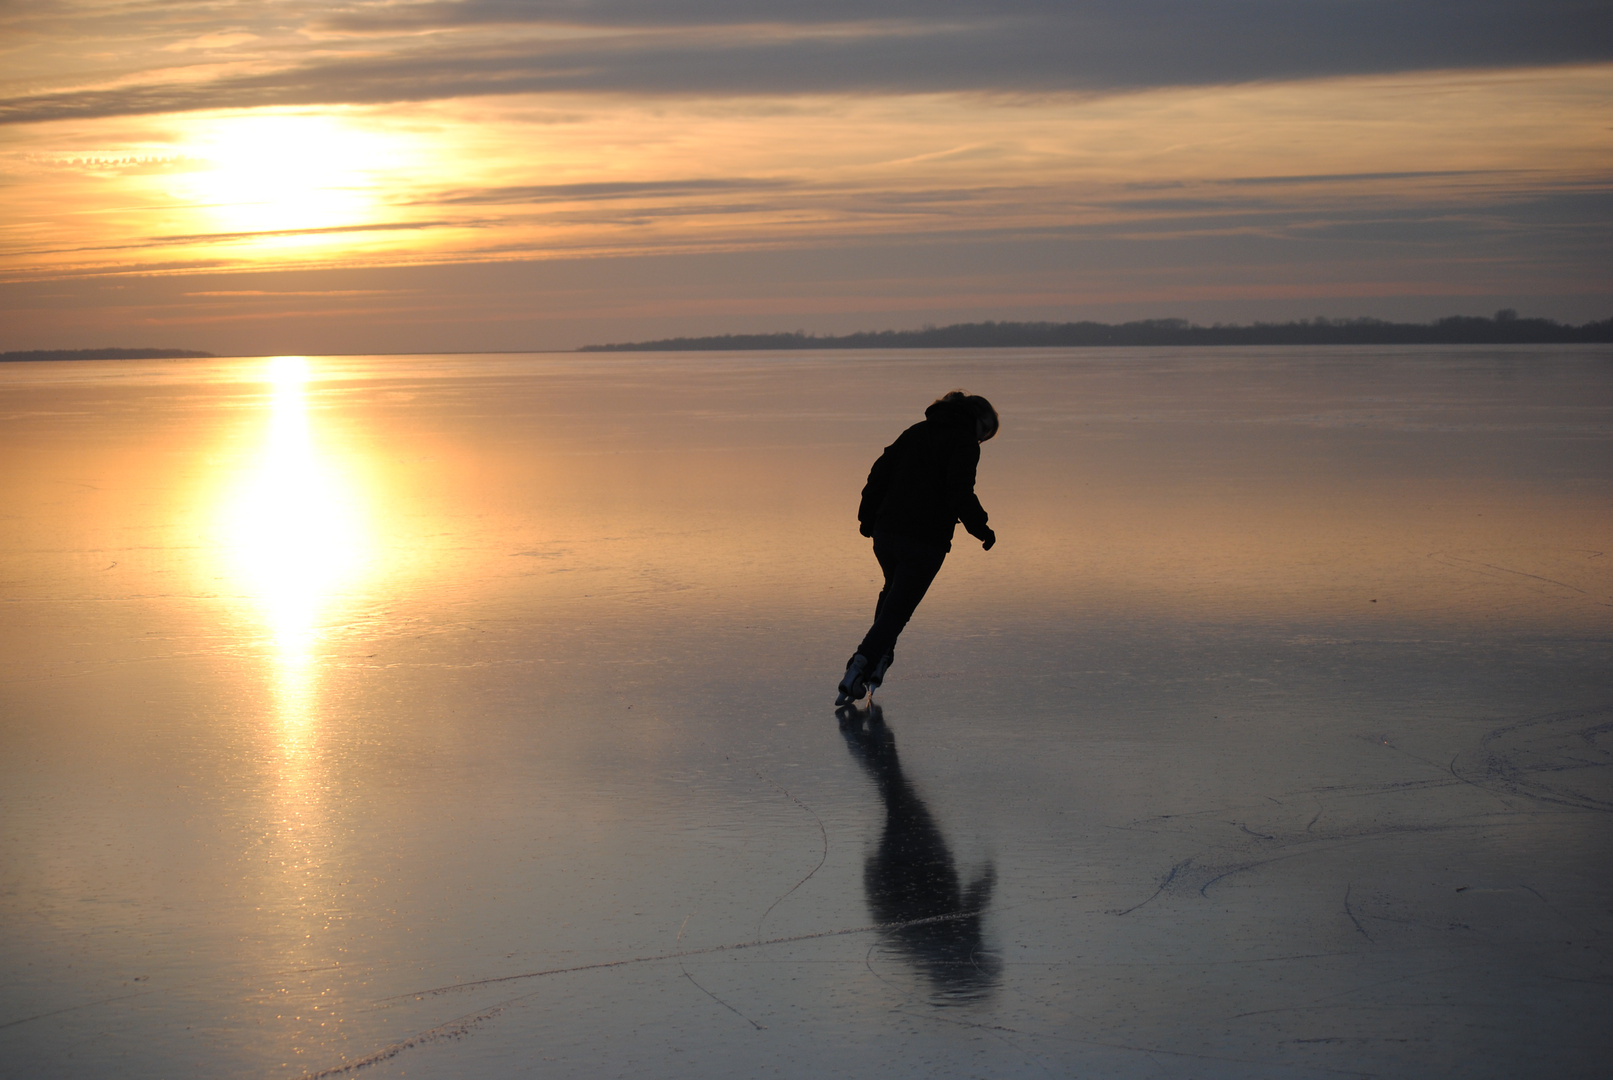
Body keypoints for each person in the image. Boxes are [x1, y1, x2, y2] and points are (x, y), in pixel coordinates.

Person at [836, 390, 998, 706]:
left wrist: (868, 518)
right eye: (984, 432)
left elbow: (878, 474)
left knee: (892, 593)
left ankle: (879, 657)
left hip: (887, 534)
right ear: (973, 420)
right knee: (897, 609)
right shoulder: (962, 443)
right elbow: (959, 493)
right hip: (924, 540)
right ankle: (860, 664)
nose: (981, 441)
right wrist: (982, 529)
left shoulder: (916, 431)